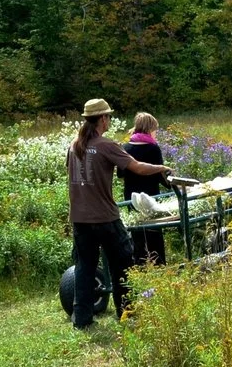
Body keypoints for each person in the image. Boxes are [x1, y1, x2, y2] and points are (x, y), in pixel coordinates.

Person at [66, 98, 171, 328]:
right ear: (103, 119)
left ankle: (82, 320)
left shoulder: (74, 146)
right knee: (122, 261)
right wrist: (162, 168)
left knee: (85, 267)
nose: (110, 120)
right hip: (104, 216)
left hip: (79, 217)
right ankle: (126, 311)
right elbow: (137, 167)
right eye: (109, 117)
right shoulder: (106, 145)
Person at [119, 111, 169, 266]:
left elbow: (120, 174)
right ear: (149, 129)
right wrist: (174, 187)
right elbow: (161, 176)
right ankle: (158, 264)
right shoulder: (153, 149)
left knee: (137, 232)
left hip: (131, 196)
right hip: (150, 195)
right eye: (155, 129)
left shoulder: (125, 147)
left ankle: (140, 264)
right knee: (155, 231)